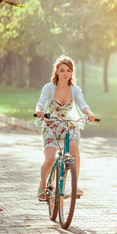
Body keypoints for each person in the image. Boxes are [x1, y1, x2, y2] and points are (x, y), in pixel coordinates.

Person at [35, 55, 95, 201]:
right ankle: (42, 186)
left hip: (68, 124)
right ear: (57, 72)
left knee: (74, 147)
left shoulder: (75, 90)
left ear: (71, 72)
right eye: (62, 70)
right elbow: (41, 102)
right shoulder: (49, 88)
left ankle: (75, 185)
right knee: (49, 159)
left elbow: (82, 104)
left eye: (68, 70)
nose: (65, 73)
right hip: (52, 123)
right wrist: (39, 111)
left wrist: (90, 114)